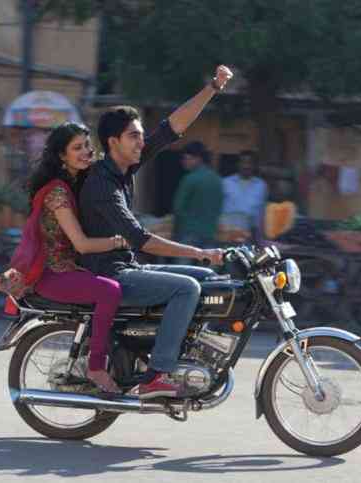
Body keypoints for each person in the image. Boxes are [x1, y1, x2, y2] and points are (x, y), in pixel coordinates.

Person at [80, 65, 233, 399]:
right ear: (113, 142)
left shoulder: (126, 166)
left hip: (128, 266)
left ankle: (182, 352)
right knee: (187, 288)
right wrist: (200, 252)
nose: (141, 141)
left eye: (140, 135)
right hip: (108, 274)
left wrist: (213, 88)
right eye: (134, 135)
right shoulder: (101, 183)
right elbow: (141, 239)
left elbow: (172, 127)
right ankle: (155, 375)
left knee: (206, 279)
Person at [0, 122, 128, 393]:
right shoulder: (58, 193)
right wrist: (119, 241)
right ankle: (95, 367)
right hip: (52, 275)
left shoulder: (74, 183)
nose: (86, 152)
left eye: (87, 146)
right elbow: (81, 244)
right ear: (62, 156)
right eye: (77, 148)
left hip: (67, 270)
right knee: (110, 291)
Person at [172, 141, 224, 262]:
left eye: (187, 159)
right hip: (210, 233)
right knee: (208, 272)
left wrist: (175, 232)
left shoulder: (189, 179)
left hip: (188, 235)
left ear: (198, 159)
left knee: (183, 270)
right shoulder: (217, 179)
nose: (184, 162)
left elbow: (178, 208)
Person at [220, 151, 268, 241]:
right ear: (238, 164)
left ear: (255, 165)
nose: (246, 166)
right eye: (243, 162)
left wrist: (261, 236)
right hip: (228, 233)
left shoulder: (261, 185)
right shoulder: (226, 182)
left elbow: (262, 211)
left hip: (251, 234)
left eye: (250, 163)